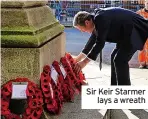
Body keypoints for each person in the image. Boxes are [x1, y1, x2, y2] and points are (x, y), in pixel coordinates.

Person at [73, 7, 148, 85]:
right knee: (114, 57)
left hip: (135, 30)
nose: (82, 31)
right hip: (125, 34)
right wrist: (78, 59)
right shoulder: (96, 20)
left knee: (120, 60)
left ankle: (124, 90)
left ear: (87, 22)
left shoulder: (100, 18)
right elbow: (92, 41)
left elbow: (99, 43)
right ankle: (114, 86)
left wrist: (84, 62)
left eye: (81, 29)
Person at [137, 0, 148, 69]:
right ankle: (142, 63)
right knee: (141, 49)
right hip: (141, 34)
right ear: (145, 3)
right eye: (147, 3)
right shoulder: (139, 13)